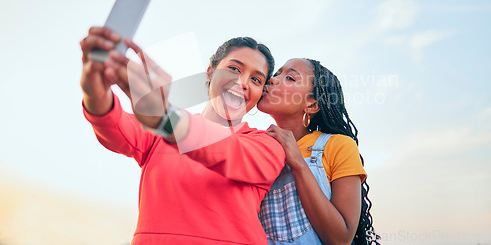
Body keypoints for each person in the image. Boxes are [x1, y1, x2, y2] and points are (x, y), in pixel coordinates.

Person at [80, 26, 286, 245]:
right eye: (234, 69)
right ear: (210, 72)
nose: (243, 82)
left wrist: (165, 117)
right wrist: (94, 89)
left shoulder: (267, 146)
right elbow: (113, 125)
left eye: (256, 80)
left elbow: (227, 150)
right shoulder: (159, 133)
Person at [257, 58, 380, 245]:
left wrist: (297, 163)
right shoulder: (257, 147)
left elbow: (341, 239)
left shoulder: (338, 145)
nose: (273, 80)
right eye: (276, 74)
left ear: (312, 105)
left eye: (290, 78)